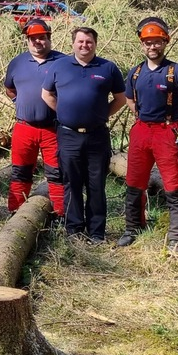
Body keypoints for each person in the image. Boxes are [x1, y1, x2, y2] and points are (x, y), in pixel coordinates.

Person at [119, 17, 178, 250]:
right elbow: (128, 98)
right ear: (141, 44)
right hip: (140, 132)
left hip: (167, 132)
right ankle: (132, 228)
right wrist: (140, 115)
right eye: (147, 42)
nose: (152, 47)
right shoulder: (135, 72)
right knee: (134, 182)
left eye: (156, 42)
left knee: (174, 184)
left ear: (165, 42)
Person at [41, 27, 126, 244]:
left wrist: (101, 114)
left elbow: (121, 98)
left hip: (97, 136)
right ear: (73, 43)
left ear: (95, 44)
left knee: (96, 185)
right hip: (68, 135)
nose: (84, 45)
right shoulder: (59, 66)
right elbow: (46, 94)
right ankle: (74, 230)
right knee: (72, 183)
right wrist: (63, 112)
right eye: (80, 41)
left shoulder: (108, 68)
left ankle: (97, 232)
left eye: (89, 42)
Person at [3, 18, 66, 218]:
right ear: (27, 40)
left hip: (53, 128)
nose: (37, 42)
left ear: (49, 37)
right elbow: (9, 89)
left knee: (56, 173)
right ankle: (16, 212)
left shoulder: (63, 62)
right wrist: (21, 103)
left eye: (42, 38)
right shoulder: (17, 62)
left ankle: (60, 213)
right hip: (24, 127)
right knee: (20, 171)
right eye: (33, 38)